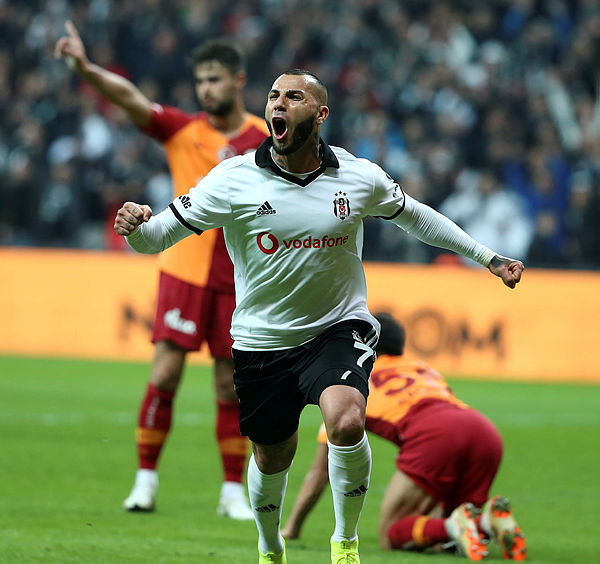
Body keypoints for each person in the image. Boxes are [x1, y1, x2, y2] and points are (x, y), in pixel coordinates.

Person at [112, 69, 524, 563]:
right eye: (273, 96)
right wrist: (135, 227)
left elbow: (417, 216)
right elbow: (156, 238)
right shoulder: (233, 179)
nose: (278, 104)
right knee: (271, 456)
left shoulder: (358, 176)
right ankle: (270, 546)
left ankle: (345, 542)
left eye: (293, 97)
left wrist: (487, 258)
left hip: (338, 327)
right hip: (263, 340)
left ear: (321, 113)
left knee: (346, 421)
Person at [55, 21, 269, 519]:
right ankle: (145, 482)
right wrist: (86, 69)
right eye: (200, 81)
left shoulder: (266, 137)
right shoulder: (182, 130)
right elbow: (131, 98)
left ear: (238, 80)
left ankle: (231, 493)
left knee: (229, 384)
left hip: (239, 279)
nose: (206, 89)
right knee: (166, 373)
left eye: (214, 79)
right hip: (183, 271)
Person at [281, 312, 527, 561]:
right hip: (483, 431)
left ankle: (454, 525)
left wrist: (293, 527)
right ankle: (485, 522)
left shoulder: (351, 380)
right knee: (449, 540)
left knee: (393, 533)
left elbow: (321, 470)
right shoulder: (421, 367)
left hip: (436, 435)